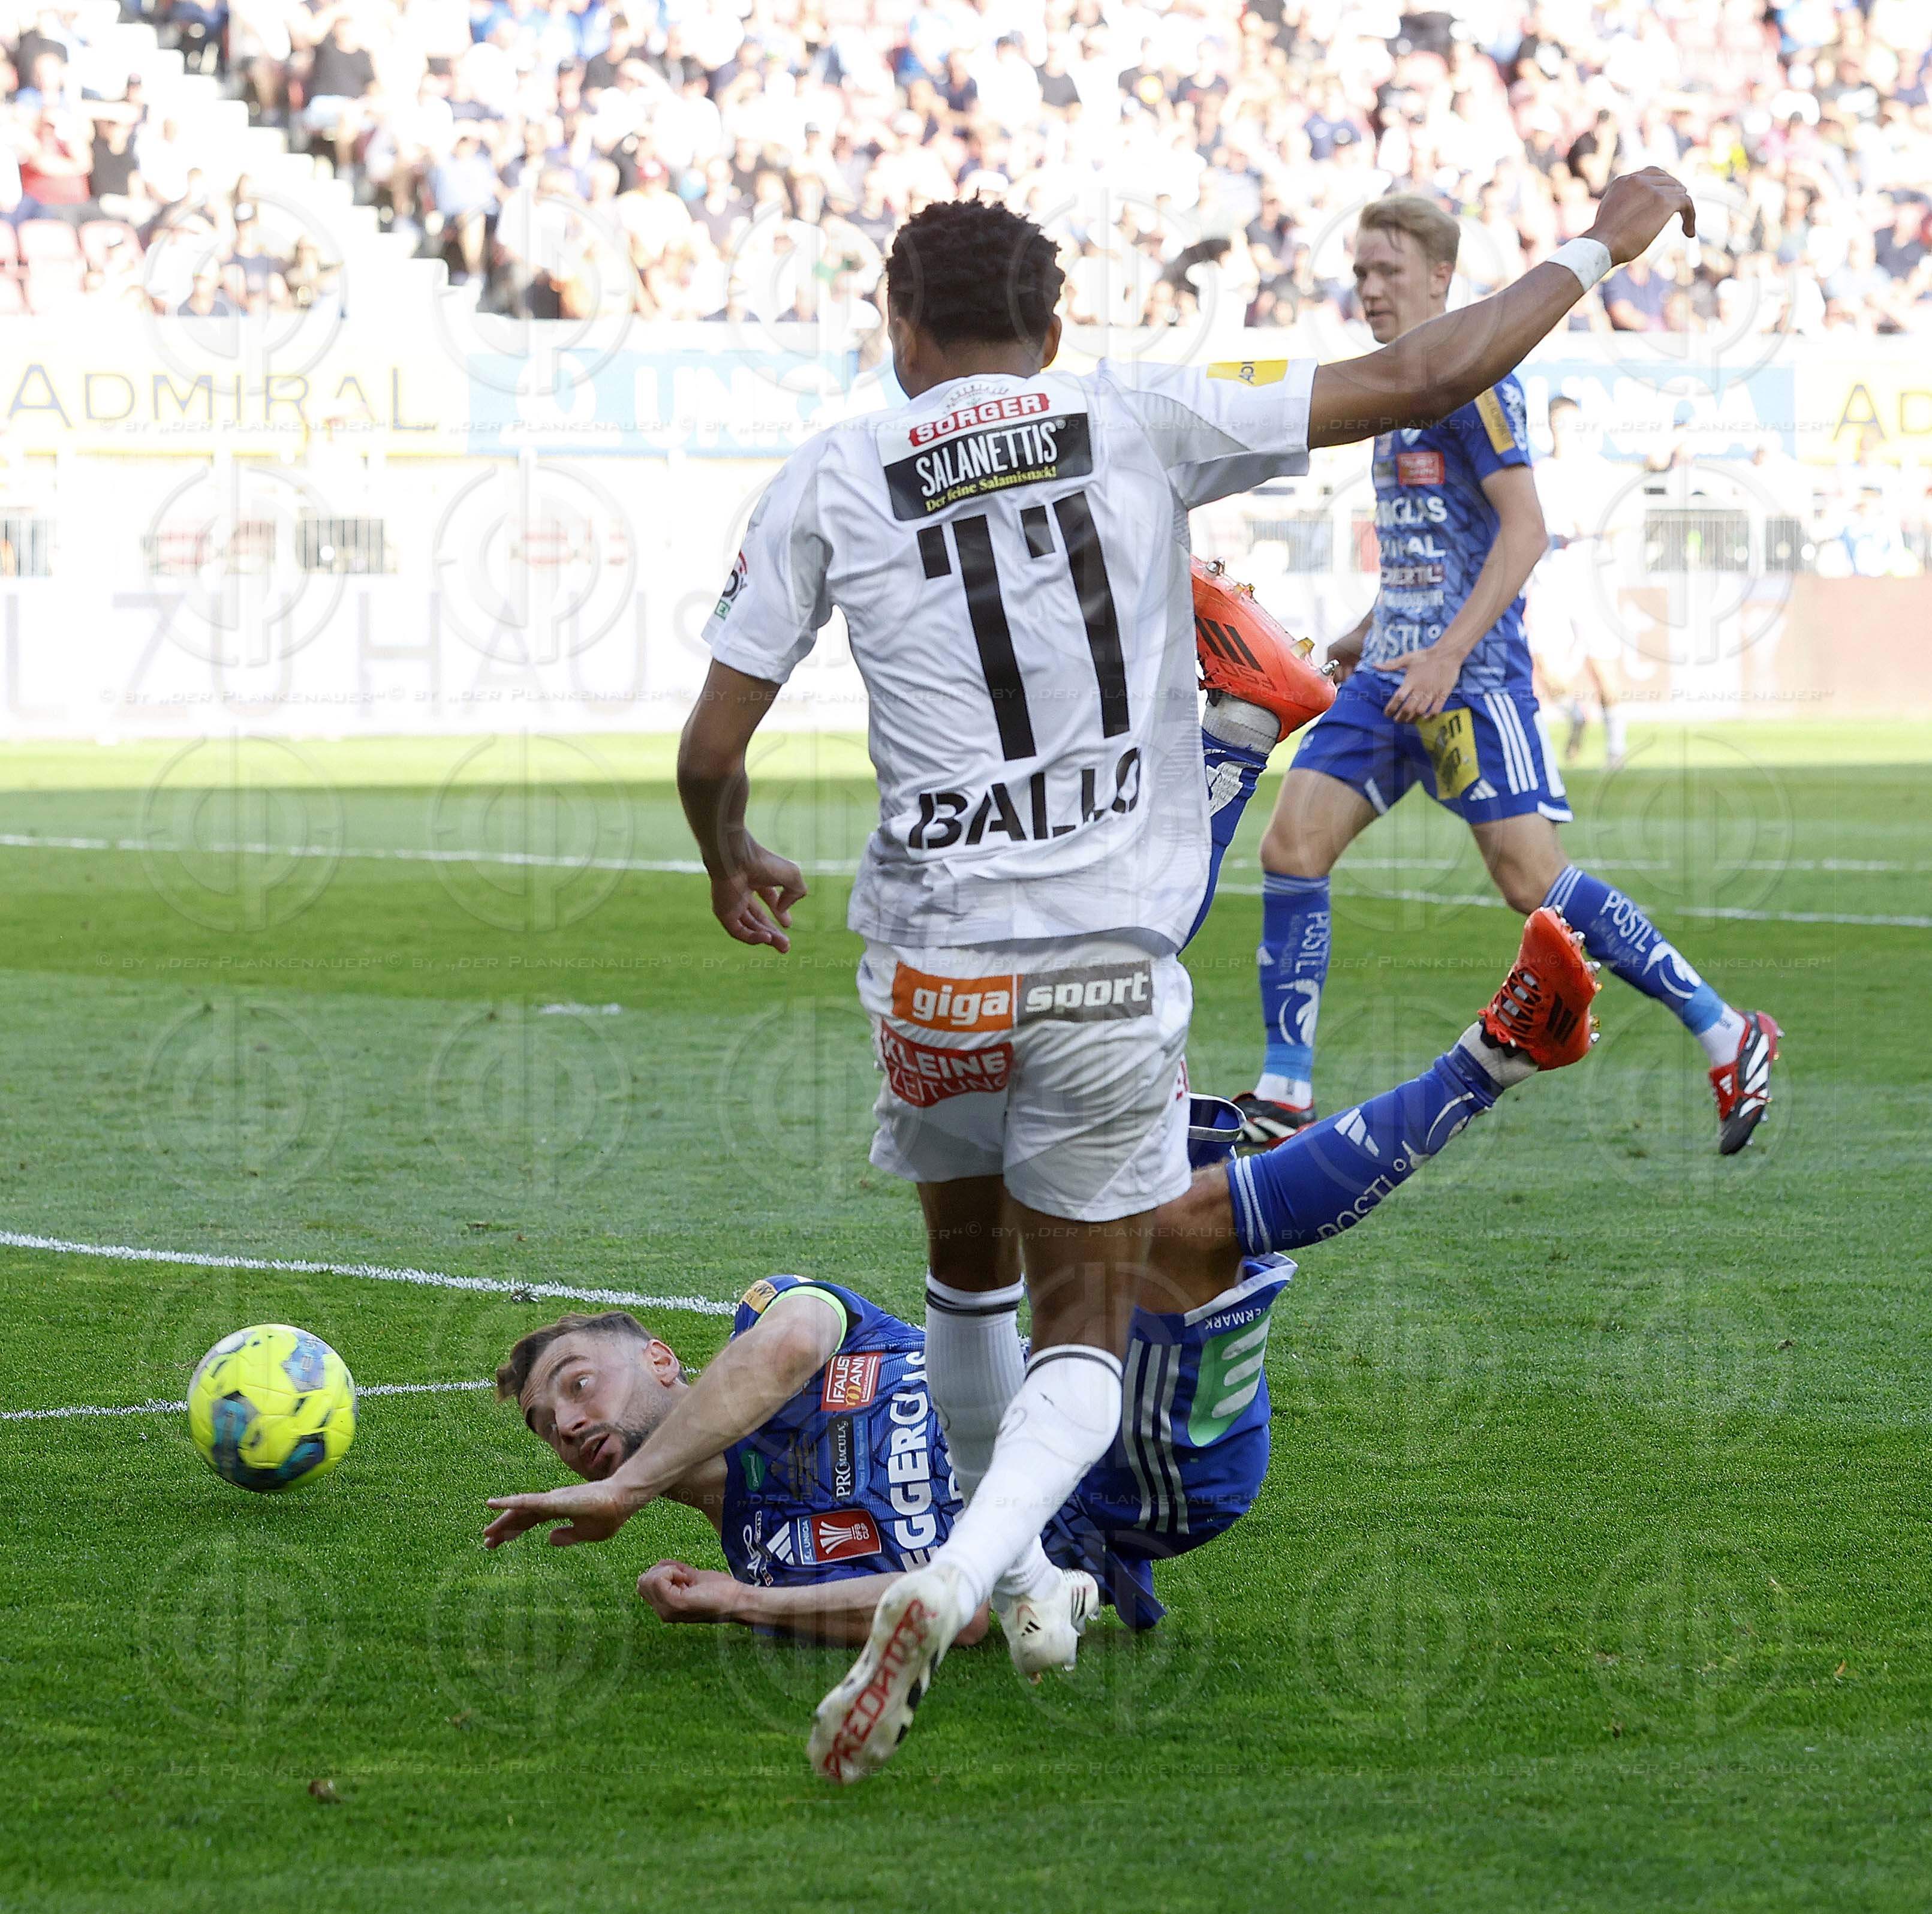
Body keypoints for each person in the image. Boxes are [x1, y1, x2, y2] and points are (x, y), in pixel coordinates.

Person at [646, 174, 1686, 1783]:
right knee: (1085, 1309)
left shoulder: (827, 472)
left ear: (899, 329)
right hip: (1102, 966)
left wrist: (729, 852)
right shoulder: (1130, 409)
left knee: (964, 1289)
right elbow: (1424, 374)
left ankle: (1023, 1567)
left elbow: (710, 747)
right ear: (1053, 329)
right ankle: (963, 1564)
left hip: (929, 967)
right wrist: (1598, 241)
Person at [487, 907, 1606, 1677]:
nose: (571, 1420)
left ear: (664, 1362)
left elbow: (796, 1330)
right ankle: (1500, 1051)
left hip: (1076, 1347)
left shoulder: (769, 1325)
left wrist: (632, 1482)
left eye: (578, 1381)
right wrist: (737, 1604)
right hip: (1126, 1482)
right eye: (551, 1422)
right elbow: (957, 1615)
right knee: (1179, 1226)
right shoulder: (765, 1559)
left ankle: (1231, 738)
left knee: (1096, 1044)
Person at [1238, 195, 1778, 1163]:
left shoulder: (1476, 379)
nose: (1366, 287)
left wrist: (1447, 652)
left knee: (1532, 882)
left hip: (1470, 681)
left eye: (1385, 270)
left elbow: (1524, 530)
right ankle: (1283, 1088)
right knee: (1290, 846)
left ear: (1440, 276)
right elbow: (1431, 547)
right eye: (1358, 271)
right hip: (1390, 678)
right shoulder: (1390, 391)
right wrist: (1362, 635)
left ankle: (1725, 1029)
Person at [1524, 395, 1632, 768]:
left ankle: (1616, 749)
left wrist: (1596, 528)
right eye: (1558, 422)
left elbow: (1629, 518)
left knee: (1603, 668)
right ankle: (1574, 716)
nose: (1564, 430)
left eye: (1571, 422)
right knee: (1546, 668)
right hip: (1549, 576)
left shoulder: (1599, 471)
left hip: (1592, 578)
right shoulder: (1539, 473)